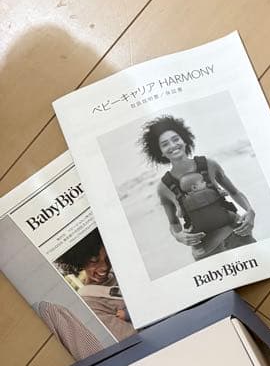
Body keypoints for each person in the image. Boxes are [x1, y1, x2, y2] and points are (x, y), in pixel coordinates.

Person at [140, 115, 257, 261]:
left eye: (175, 139)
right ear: (160, 152)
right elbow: (174, 223)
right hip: (206, 252)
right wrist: (179, 236)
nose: (173, 145)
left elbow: (234, 192)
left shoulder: (209, 164)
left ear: (184, 140)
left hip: (238, 236)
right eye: (165, 144)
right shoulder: (163, 188)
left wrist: (250, 212)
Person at [53, 230, 135, 342]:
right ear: (80, 261)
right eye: (94, 261)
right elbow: (131, 338)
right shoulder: (90, 304)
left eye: (107, 258)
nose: (104, 267)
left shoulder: (121, 271)